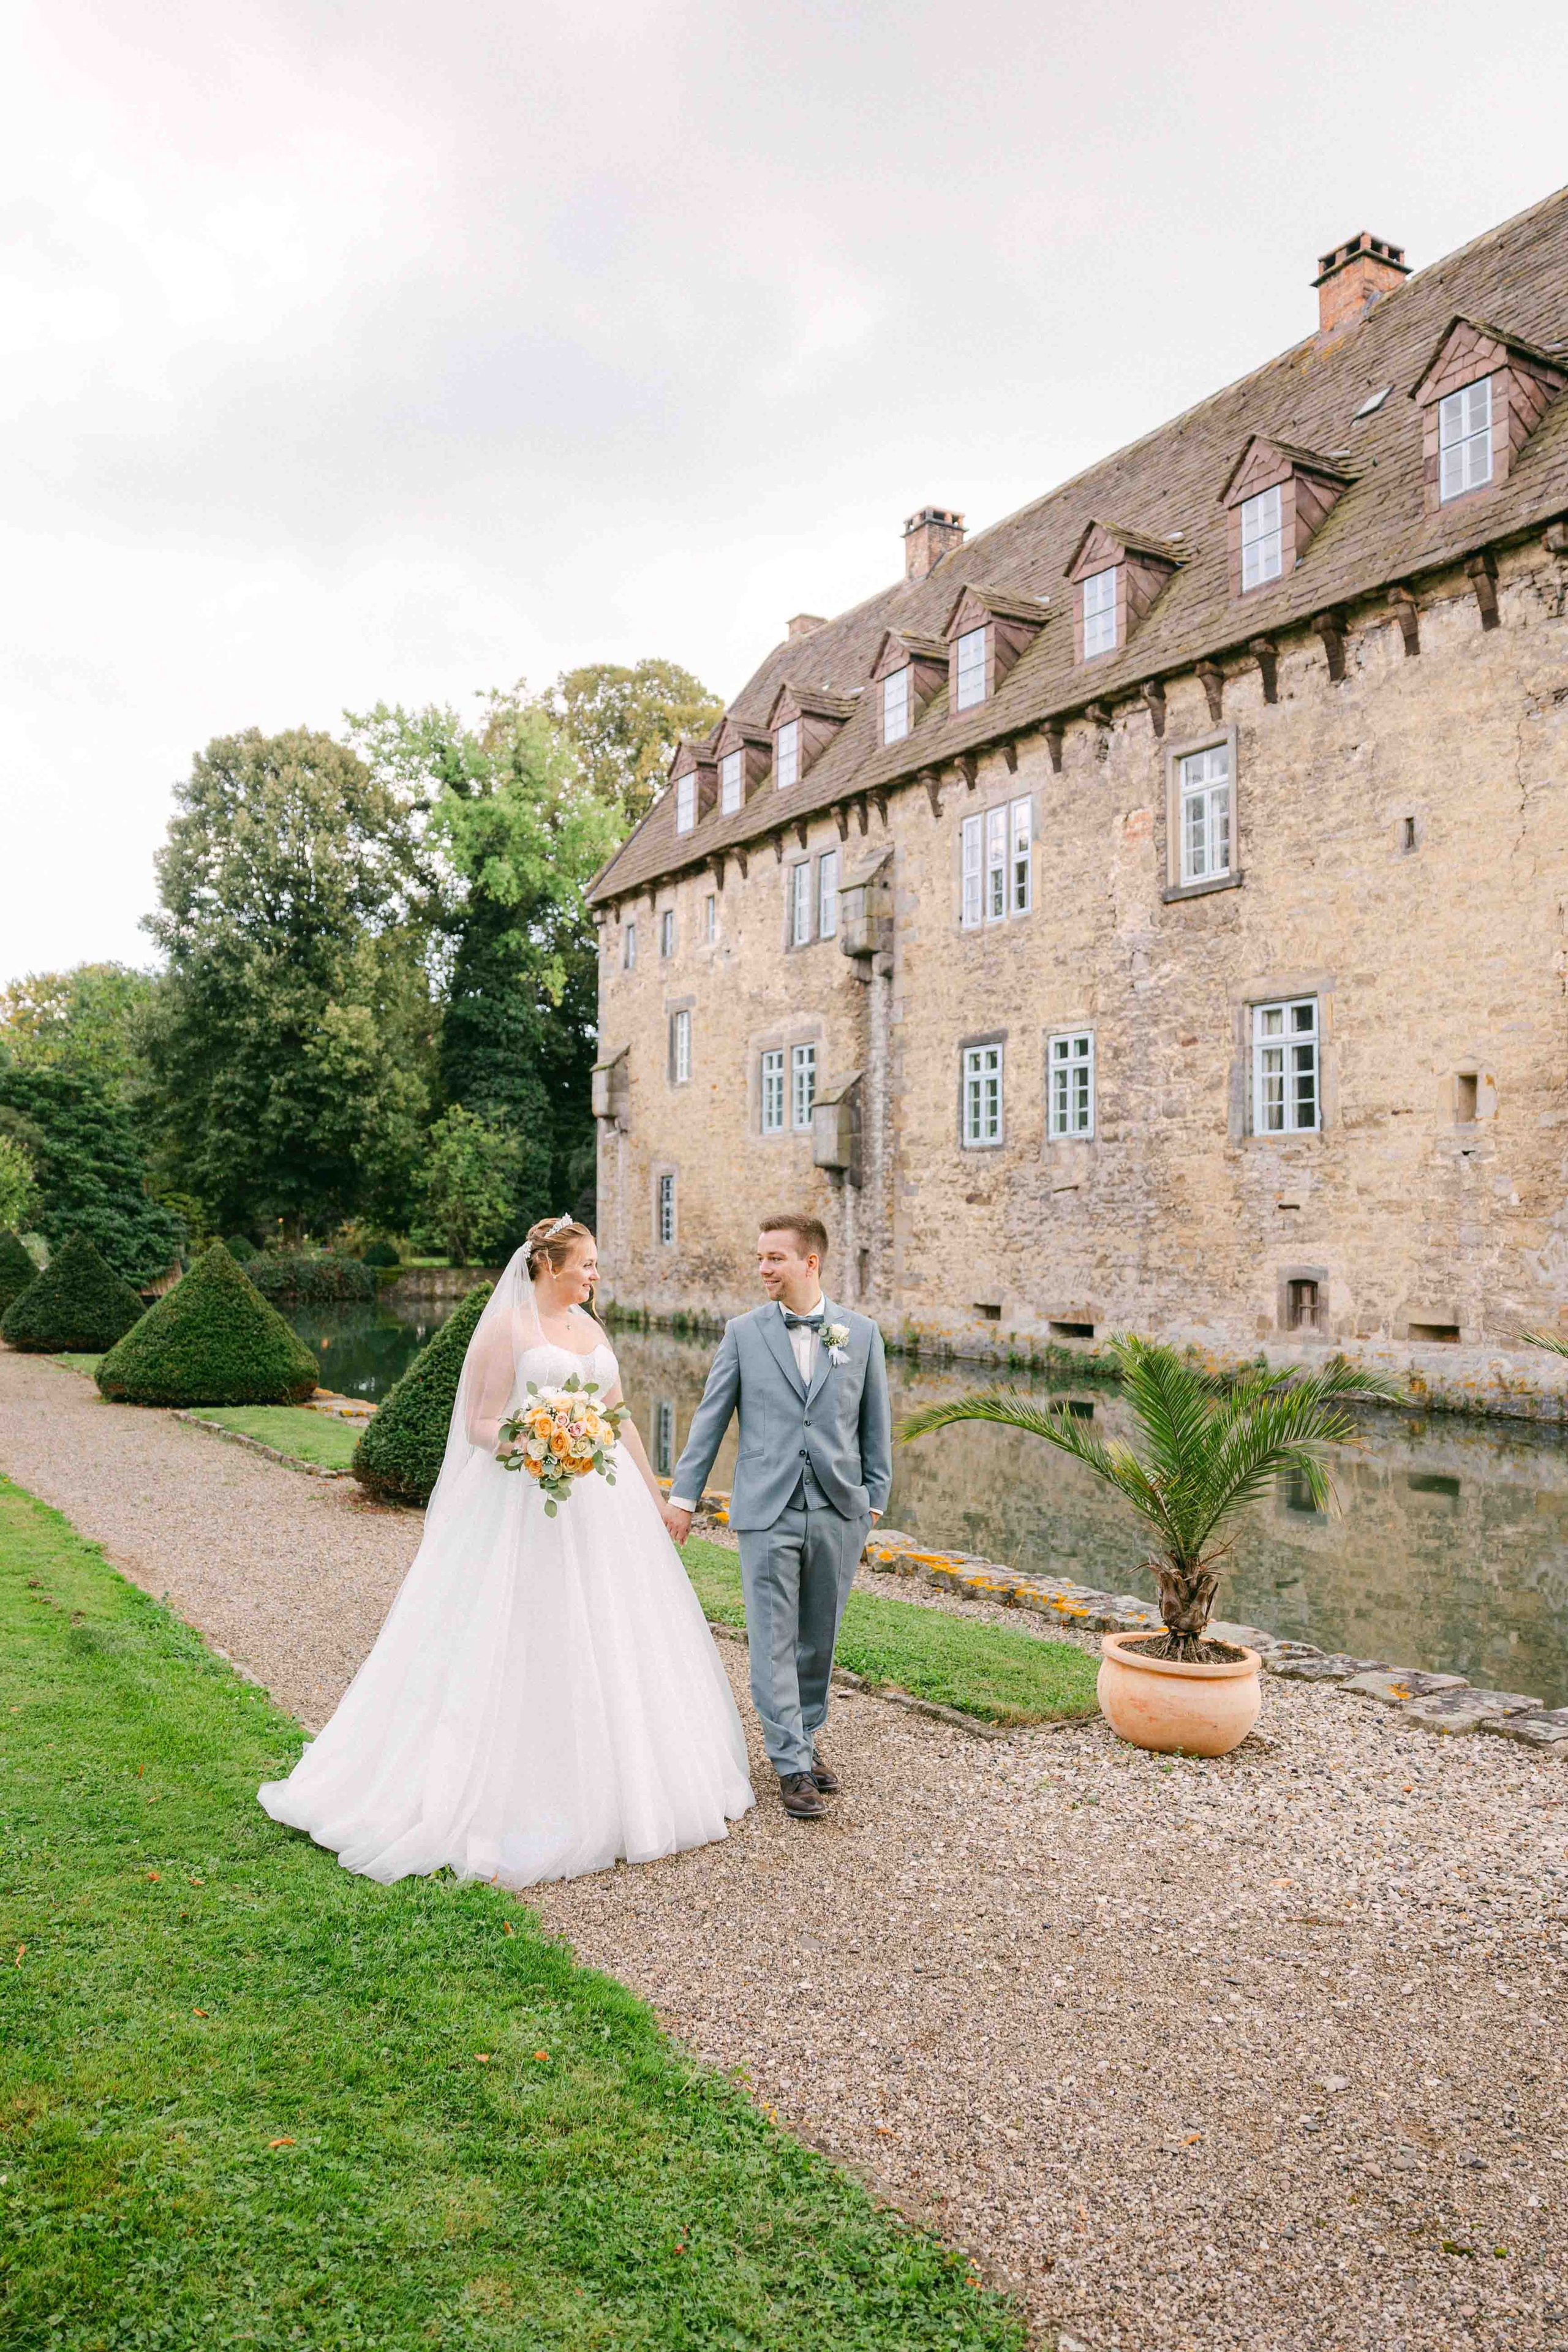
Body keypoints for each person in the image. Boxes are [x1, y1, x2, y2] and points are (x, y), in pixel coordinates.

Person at [258, 1218, 753, 1887]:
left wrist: (654, 1494)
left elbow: (621, 1416)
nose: (595, 1275)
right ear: (550, 1266)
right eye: (587, 1265)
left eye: (596, 1266)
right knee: (520, 1631)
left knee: (613, 1628)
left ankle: (627, 1784)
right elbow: (480, 1423)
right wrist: (540, 1446)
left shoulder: (592, 1329)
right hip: (526, 1499)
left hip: (602, 1507)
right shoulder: (506, 1330)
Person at [664, 1215, 891, 1821]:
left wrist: (874, 1498)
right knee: (772, 1640)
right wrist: (684, 1497)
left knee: (820, 1639)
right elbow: (709, 1419)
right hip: (767, 1509)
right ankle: (790, 1763)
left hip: (840, 1509)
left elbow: (874, 1422)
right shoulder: (743, 1333)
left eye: (774, 1258)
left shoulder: (859, 1333)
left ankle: (805, 1737)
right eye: (760, 1257)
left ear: (809, 1264)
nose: (762, 1268)